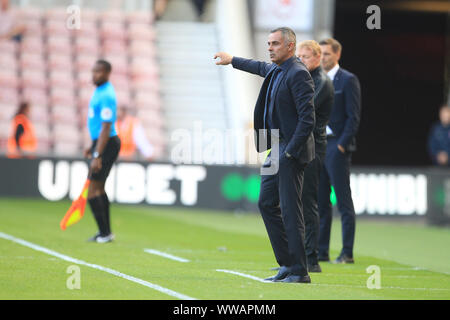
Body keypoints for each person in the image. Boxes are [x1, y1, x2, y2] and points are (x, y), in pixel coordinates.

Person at [215, 27, 315, 283]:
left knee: (291, 210)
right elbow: (258, 66)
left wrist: (291, 152)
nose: (269, 47)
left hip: (288, 150)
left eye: (275, 44)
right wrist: (233, 60)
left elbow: (308, 119)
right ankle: (287, 263)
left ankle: (300, 271)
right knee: (266, 203)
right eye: (268, 43)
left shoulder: (298, 73)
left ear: (290, 46)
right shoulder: (277, 69)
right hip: (275, 148)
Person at [317, 38, 361, 264]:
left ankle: (347, 252)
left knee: (343, 201)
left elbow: (354, 117)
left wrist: (343, 144)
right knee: (321, 201)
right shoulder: (316, 79)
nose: (323, 57)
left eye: (326, 54)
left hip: (337, 145)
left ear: (337, 55)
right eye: (320, 53)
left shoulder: (348, 80)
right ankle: (321, 251)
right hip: (320, 143)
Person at [296, 40, 334, 272]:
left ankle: (311, 258)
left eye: (305, 57)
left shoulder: (322, 83)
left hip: (313, 148)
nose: (301, 60)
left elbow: (302, 110)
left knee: (308, 202)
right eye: (298, 56)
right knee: (295, 202)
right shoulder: (307, 79)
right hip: (301, 146)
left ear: (317, 58)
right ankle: (296, 259)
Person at [85, 60, 121, 244]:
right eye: (93, 71)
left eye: (98, 71)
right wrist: (91, 146)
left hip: (107, 144)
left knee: (93, 190)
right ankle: (105, 233)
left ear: (107, 73)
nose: (94, 75)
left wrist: (97, 155)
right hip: (99, 143)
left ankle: (104, 233)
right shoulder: (99, 90)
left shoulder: (107, 95)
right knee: (98, 188)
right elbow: (97, 124)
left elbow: (106, 128)